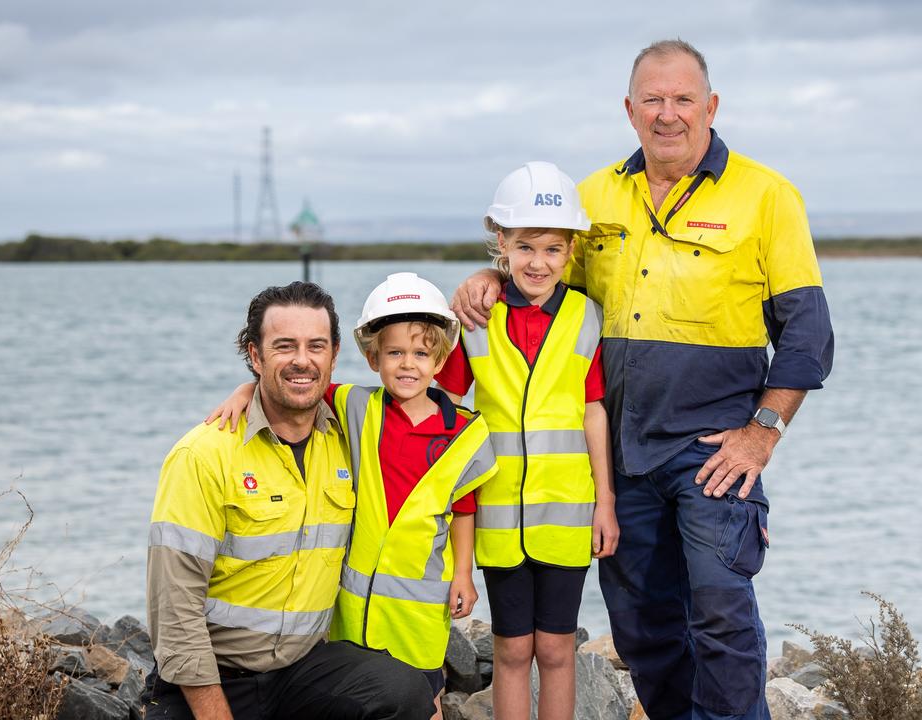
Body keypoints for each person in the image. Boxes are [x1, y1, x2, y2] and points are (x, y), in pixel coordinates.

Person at [451, 40, 835, 720]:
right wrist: (488, 279)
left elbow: (807, 337)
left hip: (712, 452)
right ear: (629, 110)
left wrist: (761, 435)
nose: (667, 114)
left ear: (710, 106)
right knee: (643, 628)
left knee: (720, 611)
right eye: (652, 100)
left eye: (683, 99)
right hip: (621, 457)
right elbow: (540, 284)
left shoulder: (768, 196)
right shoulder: (593, 198)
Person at [205, 274, 499, 720]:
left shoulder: (463, 432)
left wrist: (464, 573)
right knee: (357, 695)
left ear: (440, 359)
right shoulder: (356, 405)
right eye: (395, 353)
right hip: (351, 607)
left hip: (419, 607)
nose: (407, 365)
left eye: (421, 354)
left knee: (424, 697)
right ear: (372, 357)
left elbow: (463, 507)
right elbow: (292, 386)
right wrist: (245, 390)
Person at [144, 281, 433, 720]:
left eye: (316, 346)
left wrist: (488, 280)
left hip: (302, 673)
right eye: (284, 346)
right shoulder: (202, 455)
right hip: (212, 680)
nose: (302, 360)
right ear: (255, 356)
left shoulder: (353, 438)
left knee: (404, 690)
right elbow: (174, 613)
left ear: (334, 355)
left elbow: (425, 386)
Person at [434, 161, 618, 720]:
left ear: (570, 252)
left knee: (559, 648)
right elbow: (438, 402)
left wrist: (605, 502)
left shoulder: (587, 318)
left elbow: (593, 413)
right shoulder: (472, 321)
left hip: (567, 512)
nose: (539, 262)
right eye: (525, 247)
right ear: (501, 244)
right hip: (496, 516)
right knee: (513, 648)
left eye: (553, 250)